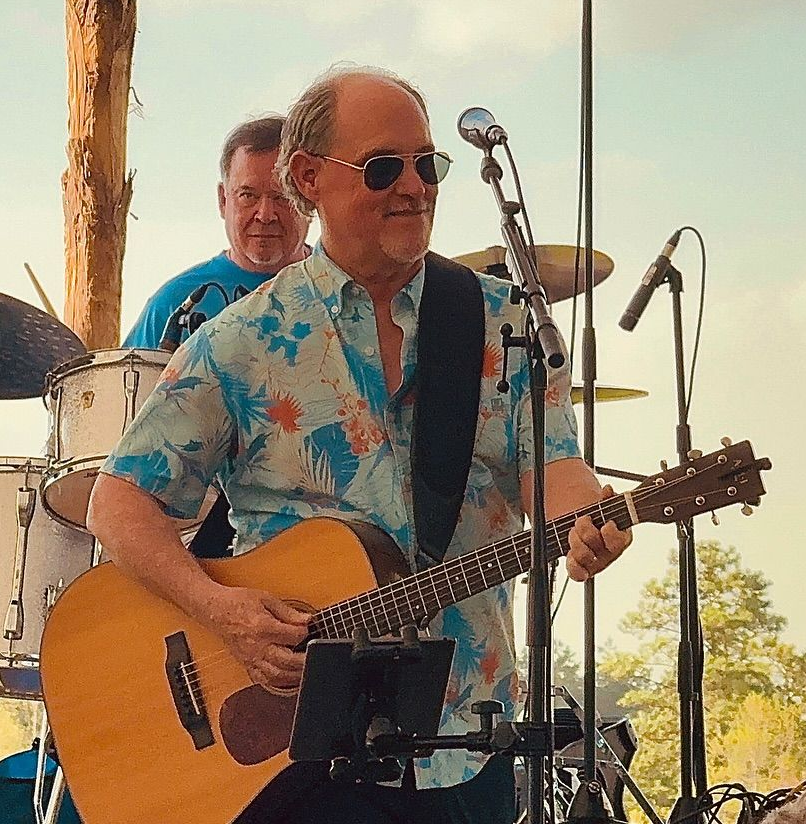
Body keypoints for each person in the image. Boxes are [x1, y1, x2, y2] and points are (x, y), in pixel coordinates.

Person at [87, 66, 632, 824]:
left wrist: (588, 523)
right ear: (309, 177)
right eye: (384, 167)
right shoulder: (241, 342)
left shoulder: (504, 325)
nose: (415, 186)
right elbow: (117, 502)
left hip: (465, 731)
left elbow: (555, 472)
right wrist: (220, 609)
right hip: (291, 751)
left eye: (426, 164)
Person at [122, 115, 310, 349]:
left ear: (310, 199)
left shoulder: (346, 290)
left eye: (282, 197)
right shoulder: (173, 304)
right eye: (248, 196)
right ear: (223, 200)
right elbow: (125, 384)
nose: (265, 214)